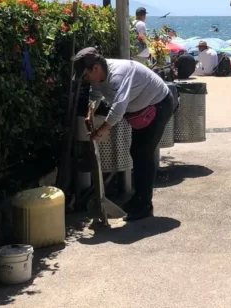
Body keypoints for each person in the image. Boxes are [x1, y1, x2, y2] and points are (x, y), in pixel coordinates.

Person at [75, 47, 175, 221]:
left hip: (158, 105)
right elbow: (95, 94)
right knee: (136, 151)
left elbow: (118, 110)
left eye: (86, 75)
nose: (86, 80)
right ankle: (138, 199)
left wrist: (99, 132)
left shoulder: (118, 75)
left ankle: (144, 205)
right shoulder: (98, 77)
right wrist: (90, 112)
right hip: (140, 110)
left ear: (96, 68)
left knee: (143, 153)